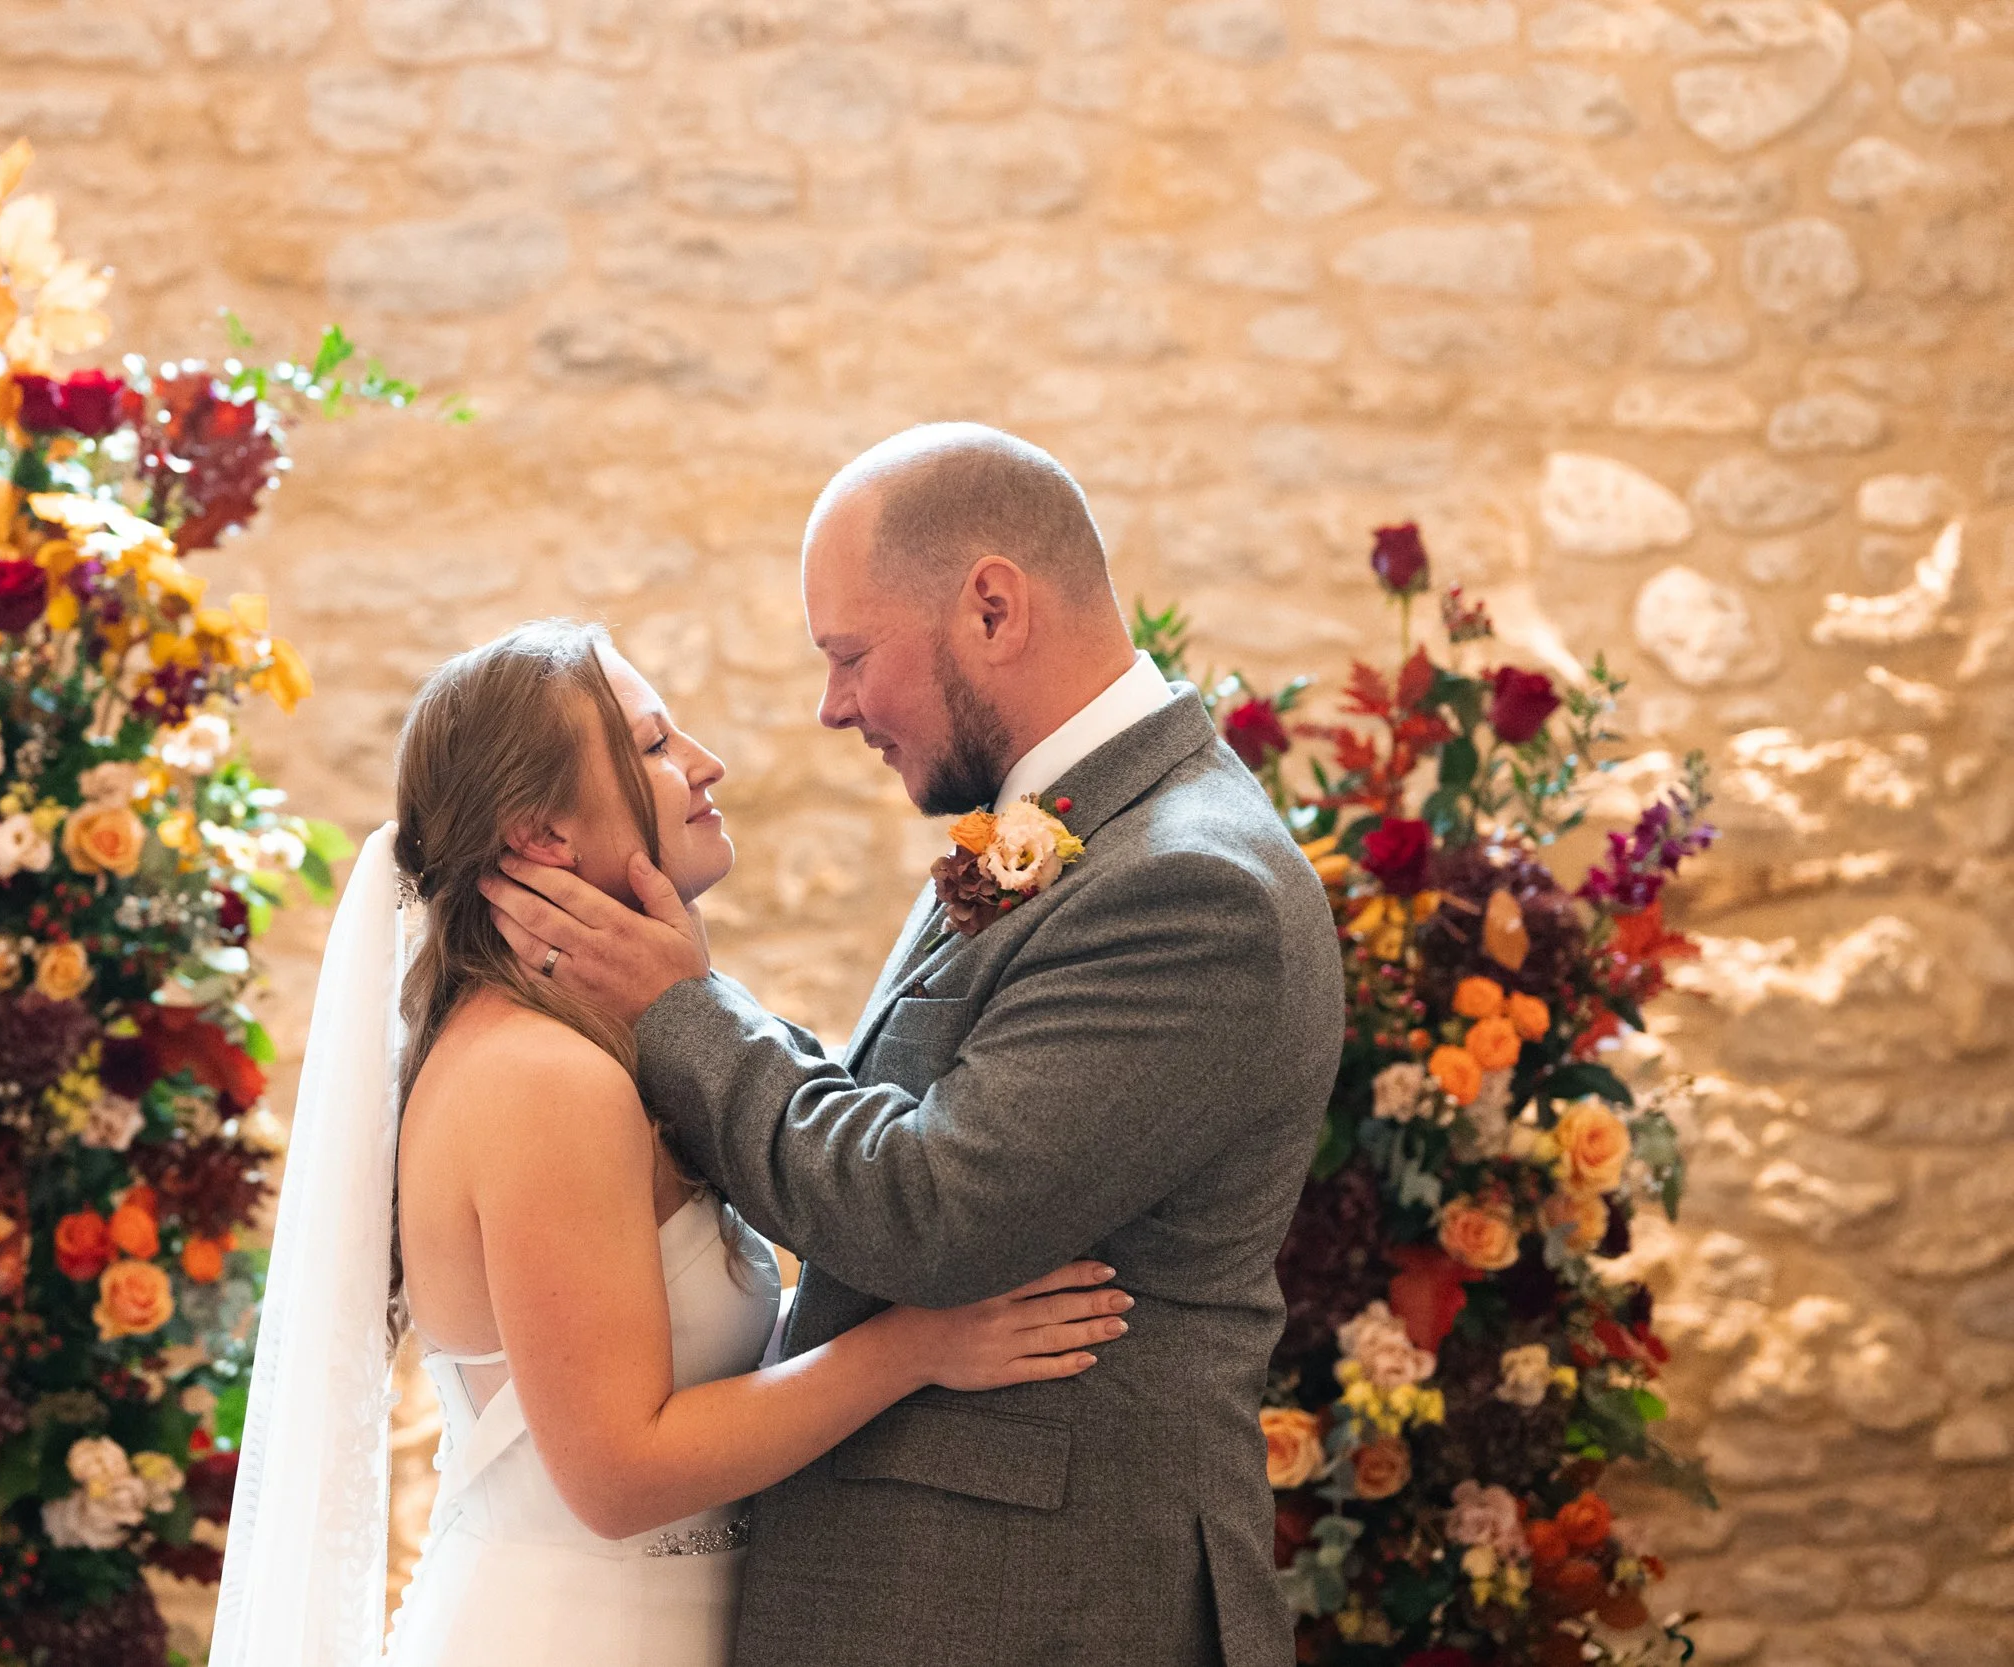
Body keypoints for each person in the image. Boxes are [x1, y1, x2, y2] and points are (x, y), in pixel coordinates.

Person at [481, 424, 1345, 1667]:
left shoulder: (1192, 885)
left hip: (1036, 1604)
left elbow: (933, 1209)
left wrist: (683, 1008)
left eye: (849, 654)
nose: (833, 706)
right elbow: (890, 1109)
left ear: (991, 606)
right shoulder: (1065, 828)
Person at [208, 619, 1129, 1667]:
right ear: (543, 837)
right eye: (651, 746)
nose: (705, 763)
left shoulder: (588, 1052)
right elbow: (618, 1472)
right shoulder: (542, 1079)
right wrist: (914, 1345)